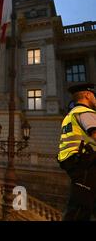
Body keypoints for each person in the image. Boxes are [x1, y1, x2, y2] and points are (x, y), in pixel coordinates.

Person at [58, 83, 96, 221]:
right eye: (94, 96)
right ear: (87, 95)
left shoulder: (70, 115)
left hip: (75, 162)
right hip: (87, 163)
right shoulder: (84, 112)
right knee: (80, 209)